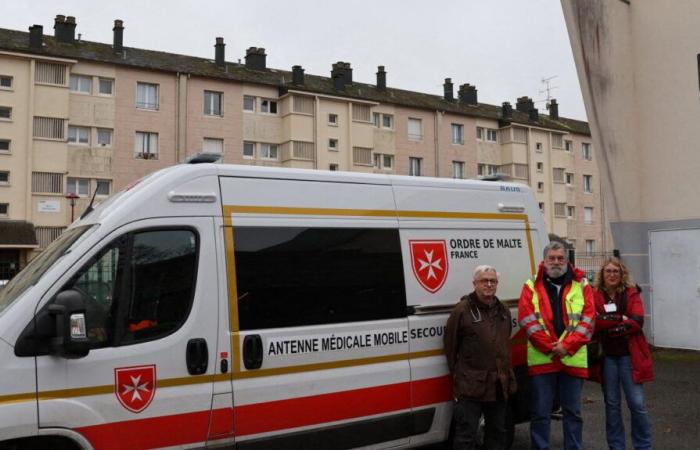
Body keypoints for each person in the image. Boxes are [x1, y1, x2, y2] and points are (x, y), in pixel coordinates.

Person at [518, 241, 595, 450]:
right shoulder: (530, 285)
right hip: (543, 359)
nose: (556, 262)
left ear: (567, 260)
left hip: (572, 357)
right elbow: (527, 320)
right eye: (551, 258)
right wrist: (551, 348)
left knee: (573, 413)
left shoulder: (582, 284)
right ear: (544, 260)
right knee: (540, 413)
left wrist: (566, 347)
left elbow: (588, 320)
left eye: (560, 258)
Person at [444, 265, 516, 450]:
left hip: (498, 385)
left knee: (497, 433)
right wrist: (461, 376)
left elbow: (503, 343)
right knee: (466, 436)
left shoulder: (503, 311)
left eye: (493, 281)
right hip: (471, 386)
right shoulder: (461, 311)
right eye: (485, 280)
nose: (489, 284)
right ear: (475, 283)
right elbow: (451, 347)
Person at [593, 257, 653, 450]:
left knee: (637, 405)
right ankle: (616, 447)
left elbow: (637, 322)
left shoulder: (631, 293)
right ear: (602, 274)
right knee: (612, 406)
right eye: (608, 271)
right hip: (608, 358)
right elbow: (595, 322)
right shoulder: (595, 295)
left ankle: (643, 446)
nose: (612, 274)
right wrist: (620, 319)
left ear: (622, 274)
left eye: (615, 271)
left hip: (629, 357)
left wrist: (608, 324)